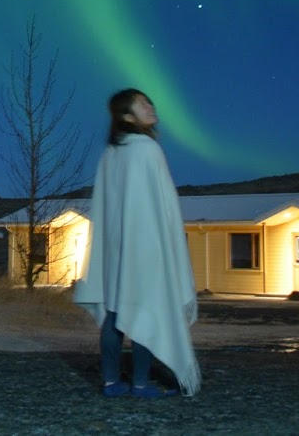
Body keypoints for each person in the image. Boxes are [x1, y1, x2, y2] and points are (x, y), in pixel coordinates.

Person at [72, 88, 201, 398]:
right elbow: (165, 207)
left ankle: (110, 381)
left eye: (150, 101)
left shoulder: (111, 154)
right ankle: (141, 383)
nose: (151, 106)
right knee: (145, 306)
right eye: (143, 103)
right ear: (127, 115)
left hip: (117, 249)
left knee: (117, 311)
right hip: (145, 247)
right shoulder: (147, 149)